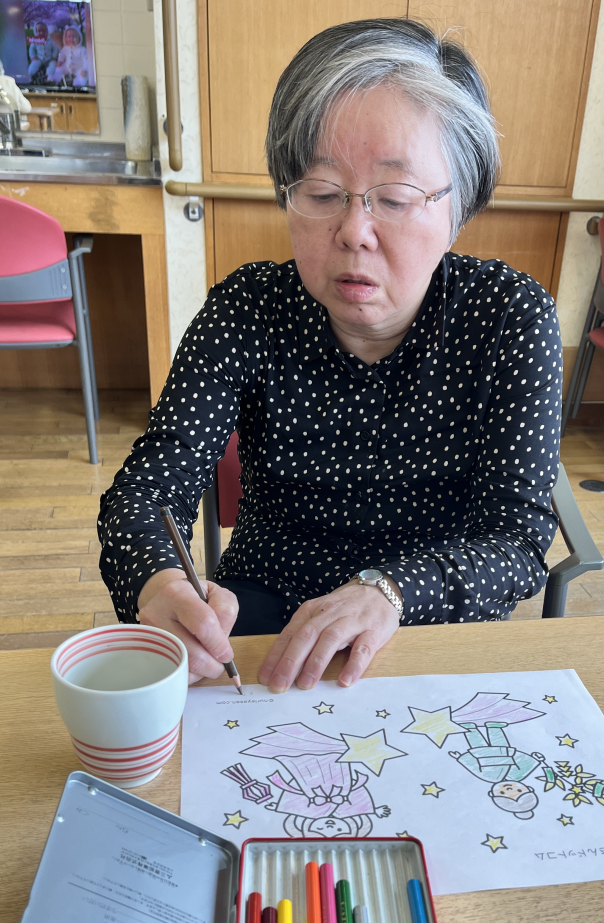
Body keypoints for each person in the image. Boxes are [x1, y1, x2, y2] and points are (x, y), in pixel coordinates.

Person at [98, 18, 562, 694]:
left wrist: (388, 590)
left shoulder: (507, 317)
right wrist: (159, 582)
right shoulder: (249, 309)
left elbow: (516, 541)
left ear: (457, 207)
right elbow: (145, 493)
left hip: (428, 618)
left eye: (394, 199)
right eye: (321, 193)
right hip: (264, 615)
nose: (354, 232)